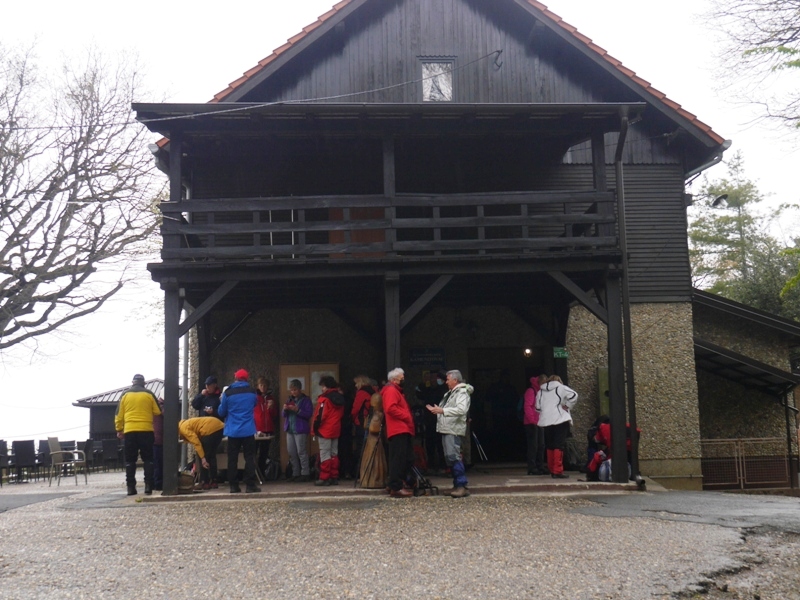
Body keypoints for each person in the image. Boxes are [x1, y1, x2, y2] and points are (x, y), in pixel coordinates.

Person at [427, 370, 473, 498]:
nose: (446, 382)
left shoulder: (462, 393)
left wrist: (442, 410)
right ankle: (456, 485)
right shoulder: (452, 393)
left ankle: (461, 485)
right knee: (450, 458)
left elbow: (461, 409)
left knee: (454, 457)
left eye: (448, 379)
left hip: (453, 429)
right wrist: (439, 410)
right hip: (447, 428)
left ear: (455, 380)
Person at [115, 374, 162, 496]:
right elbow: (157, 411)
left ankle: (131, 488)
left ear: (133, 382)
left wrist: (119, 429)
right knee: (148, 459)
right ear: (143, 383)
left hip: (130, 431)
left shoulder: (125, 395)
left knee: (130, 460)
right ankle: (148, 486)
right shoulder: (149, 394)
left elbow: (118, 415)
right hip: (146, 431)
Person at [218, 369, 260, 493]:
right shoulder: (252, 392)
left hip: (233, 431)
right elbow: (255, 404)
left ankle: (233, 486)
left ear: (235, 378)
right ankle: (250, 485)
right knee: (249, 457)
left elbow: (221, 412)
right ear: (247, 379)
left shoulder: (228, 393)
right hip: (248, 430)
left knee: (232, 458)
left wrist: (222, 401)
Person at [535, 374, 578, 479]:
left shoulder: (540, 392)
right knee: (559, 445)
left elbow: (537, 407)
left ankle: (551, 468)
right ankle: (557, 470)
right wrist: (567, 406)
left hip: (546, 420)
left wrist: (546, 412)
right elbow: (574, 395)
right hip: (560, 419)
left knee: (550, 445)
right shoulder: (561, 388)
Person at [381, 367, 416, 498]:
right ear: (395, 379)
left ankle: (394, 483)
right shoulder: (391, 390)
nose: (403, 380)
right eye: (402, 378)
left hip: (400, 428)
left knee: (403, 458)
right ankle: (395, 486)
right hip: (398, 428)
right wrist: (406, 416)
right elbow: (390, 408)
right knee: (399, 459)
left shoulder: (393, 390)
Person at [311, 376, 346, 486]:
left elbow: (320, 416)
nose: (322, 389)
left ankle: (324, 477)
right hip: (335, 429)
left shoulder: (325, 399)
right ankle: (334, 476)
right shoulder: (340, 399)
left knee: (325, 453)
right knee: (334, 453)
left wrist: (315, 428)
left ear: (327, 386)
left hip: (325, 430)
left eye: (323, 386)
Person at [178, 416, 225, 489]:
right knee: (212, 456)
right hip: (219, 427)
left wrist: (203, 458)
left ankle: (204, 482)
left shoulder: (183, 429)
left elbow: (197, 443)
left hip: (209, 430)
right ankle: (214, 481)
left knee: (202, 455)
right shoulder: (186, 423)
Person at [416, 371, 447, 474]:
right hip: (429, 421)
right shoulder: (426, 389)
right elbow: (418, 393)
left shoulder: (442, 389)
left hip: (440, 420)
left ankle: (443, 465)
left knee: (441, 444)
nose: (433, 380)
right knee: (429, 444)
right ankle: (431, 465)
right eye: (431, 378)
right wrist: (423, 383)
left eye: (435, 378)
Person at [283, 379, 313, 482]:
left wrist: (297, 410)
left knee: (301, 451)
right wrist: (285, 409)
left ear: (300, 389)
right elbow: (284, 415)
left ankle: (305, 473)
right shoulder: (289, 399)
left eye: (295, 390)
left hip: (300, 429)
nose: (293, 392)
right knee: (292, 452)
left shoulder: (306, 400)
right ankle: (295, 473)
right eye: (291, 390)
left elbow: (308, 414)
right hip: (290, 429)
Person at [358, 392, 388, 488]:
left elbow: (373, 429)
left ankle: (374, 480)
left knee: (375, 461)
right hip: (370, 440)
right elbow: (367, 427)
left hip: (374, 440)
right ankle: (368, 480)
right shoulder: (373, 415)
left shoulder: (378, 415)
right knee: (370, 460)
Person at [351, 375, 376, 478]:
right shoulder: (374, 391)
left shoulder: (361, 393)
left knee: (361, 448)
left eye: (356, 383)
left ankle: (360, 472)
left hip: (362, 423)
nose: (355, 385)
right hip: (373, 423)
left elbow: (355, 409)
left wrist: (352, 418)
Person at [523, 375, 548, 475]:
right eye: (543, 383)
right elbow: (527, 406)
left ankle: (540, 466)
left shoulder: (541, 392)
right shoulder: (531, 391)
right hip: (531, 422)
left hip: (540, 422)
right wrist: (532, 420)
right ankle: (532, 467)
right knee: (533, 445)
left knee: (541, 445)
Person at [254, 377, 278, 482]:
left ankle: (262, 474)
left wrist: (271, 408)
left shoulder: (271, 398)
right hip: (256, 429)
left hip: (268, 429)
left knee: (264, 453)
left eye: (265, 386)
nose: (263, 387)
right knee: (254, 452)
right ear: (258, 386)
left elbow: (274, 415)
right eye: (261, 385)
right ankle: (253, 474)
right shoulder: (255, 398)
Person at [152, 396, 165, 491]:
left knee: (156, 463)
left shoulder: (153, 407)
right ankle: (158, 484)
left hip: (154, 439)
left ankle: (154, 483)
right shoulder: (161, 406)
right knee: (158, 463)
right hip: (158, 440)